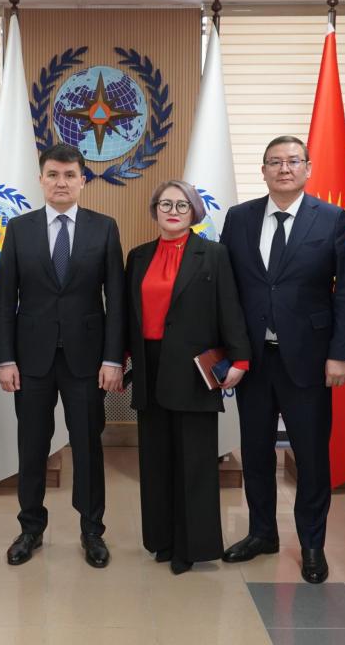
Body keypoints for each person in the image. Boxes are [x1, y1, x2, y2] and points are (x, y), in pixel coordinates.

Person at [220, 134, 345, 584]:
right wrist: (227, 352)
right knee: (256, 452)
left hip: (310, 360)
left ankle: (312, 543)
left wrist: (341, 355)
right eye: (275, 162)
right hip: (253, 360)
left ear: (308, 168)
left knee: (311, 456)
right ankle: (262, 533)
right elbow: (225, 289)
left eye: (293, 161)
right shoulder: (239, 218)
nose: (284, 168)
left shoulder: (332, 218)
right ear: (263, 170)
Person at [0, 143, 125, 568]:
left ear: (83, 180)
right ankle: (30, 528)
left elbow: (116, 299)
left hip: (86, 360)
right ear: (41, 180)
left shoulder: (104, 228)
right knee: (32, 446)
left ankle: (92, 530)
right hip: (30, 360)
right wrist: (5, 359)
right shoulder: (19, 228)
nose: (61, 182)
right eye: (53, 174)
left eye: (70, 175)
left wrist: (112, 359)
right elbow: (5, 299)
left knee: (87, 446)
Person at [125, 180, 251, 575]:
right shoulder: (138, 256)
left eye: (182, 205)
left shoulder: (213, 254)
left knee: (194, 462)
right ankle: (161, 540)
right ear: (155, 210)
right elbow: (127, 314)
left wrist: (240, 359)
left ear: (194, 211)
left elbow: (230, 307)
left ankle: (191, 547)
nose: (173, 211)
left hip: (194, 369)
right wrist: (117, 357)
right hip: (149, 367)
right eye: (165, 204)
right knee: (155, 461)